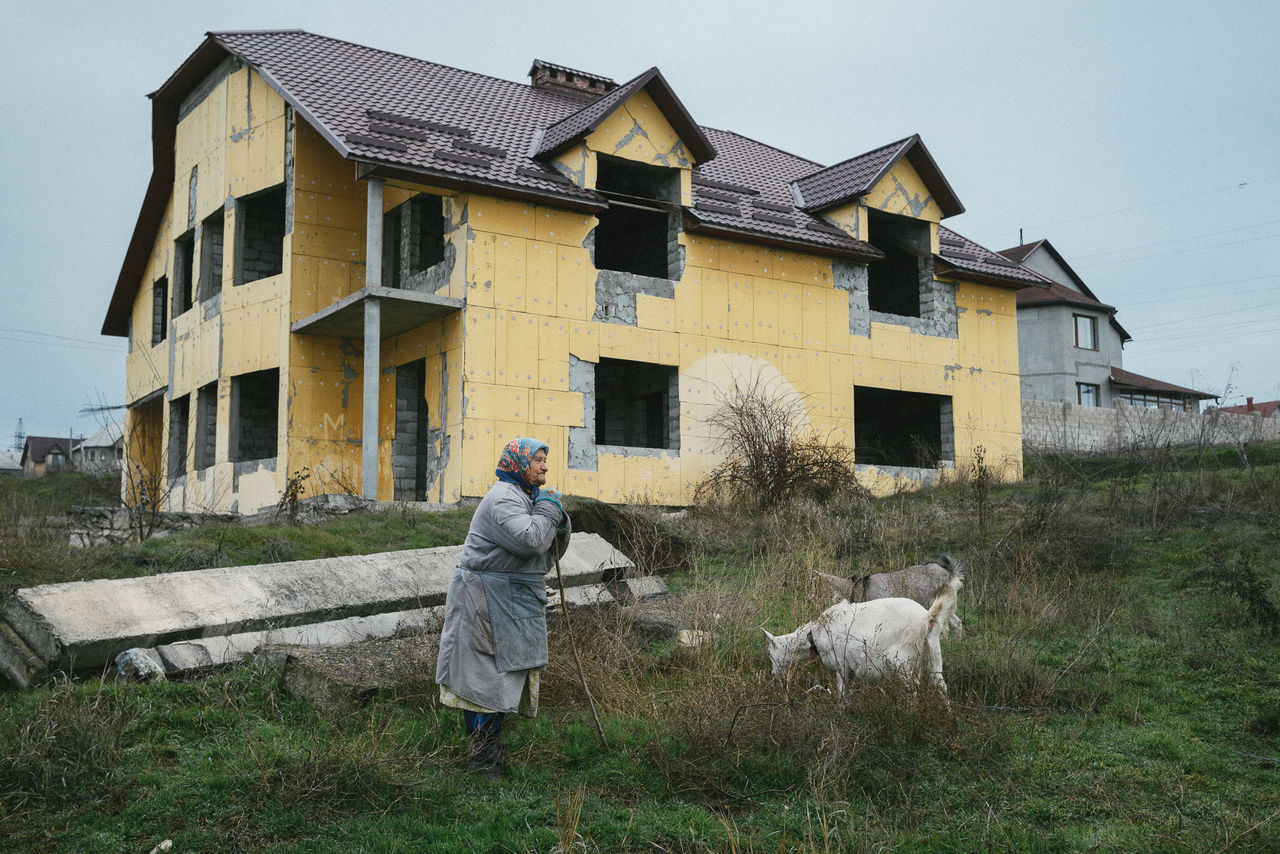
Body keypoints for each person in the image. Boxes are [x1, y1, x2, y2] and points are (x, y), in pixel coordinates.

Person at [435, 437, 570, 780]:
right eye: (538, 460)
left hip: (505, 600)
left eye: (544, 460)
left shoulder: (523, 497)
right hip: (483, 602)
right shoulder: (503, 498)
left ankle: (490, 748)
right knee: (484, 679)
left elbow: (547, 548)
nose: (544, 466)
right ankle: (481, 757)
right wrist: (550, 509)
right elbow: (530, 541)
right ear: (519, 464)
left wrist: (553, 514)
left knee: (502, 676)